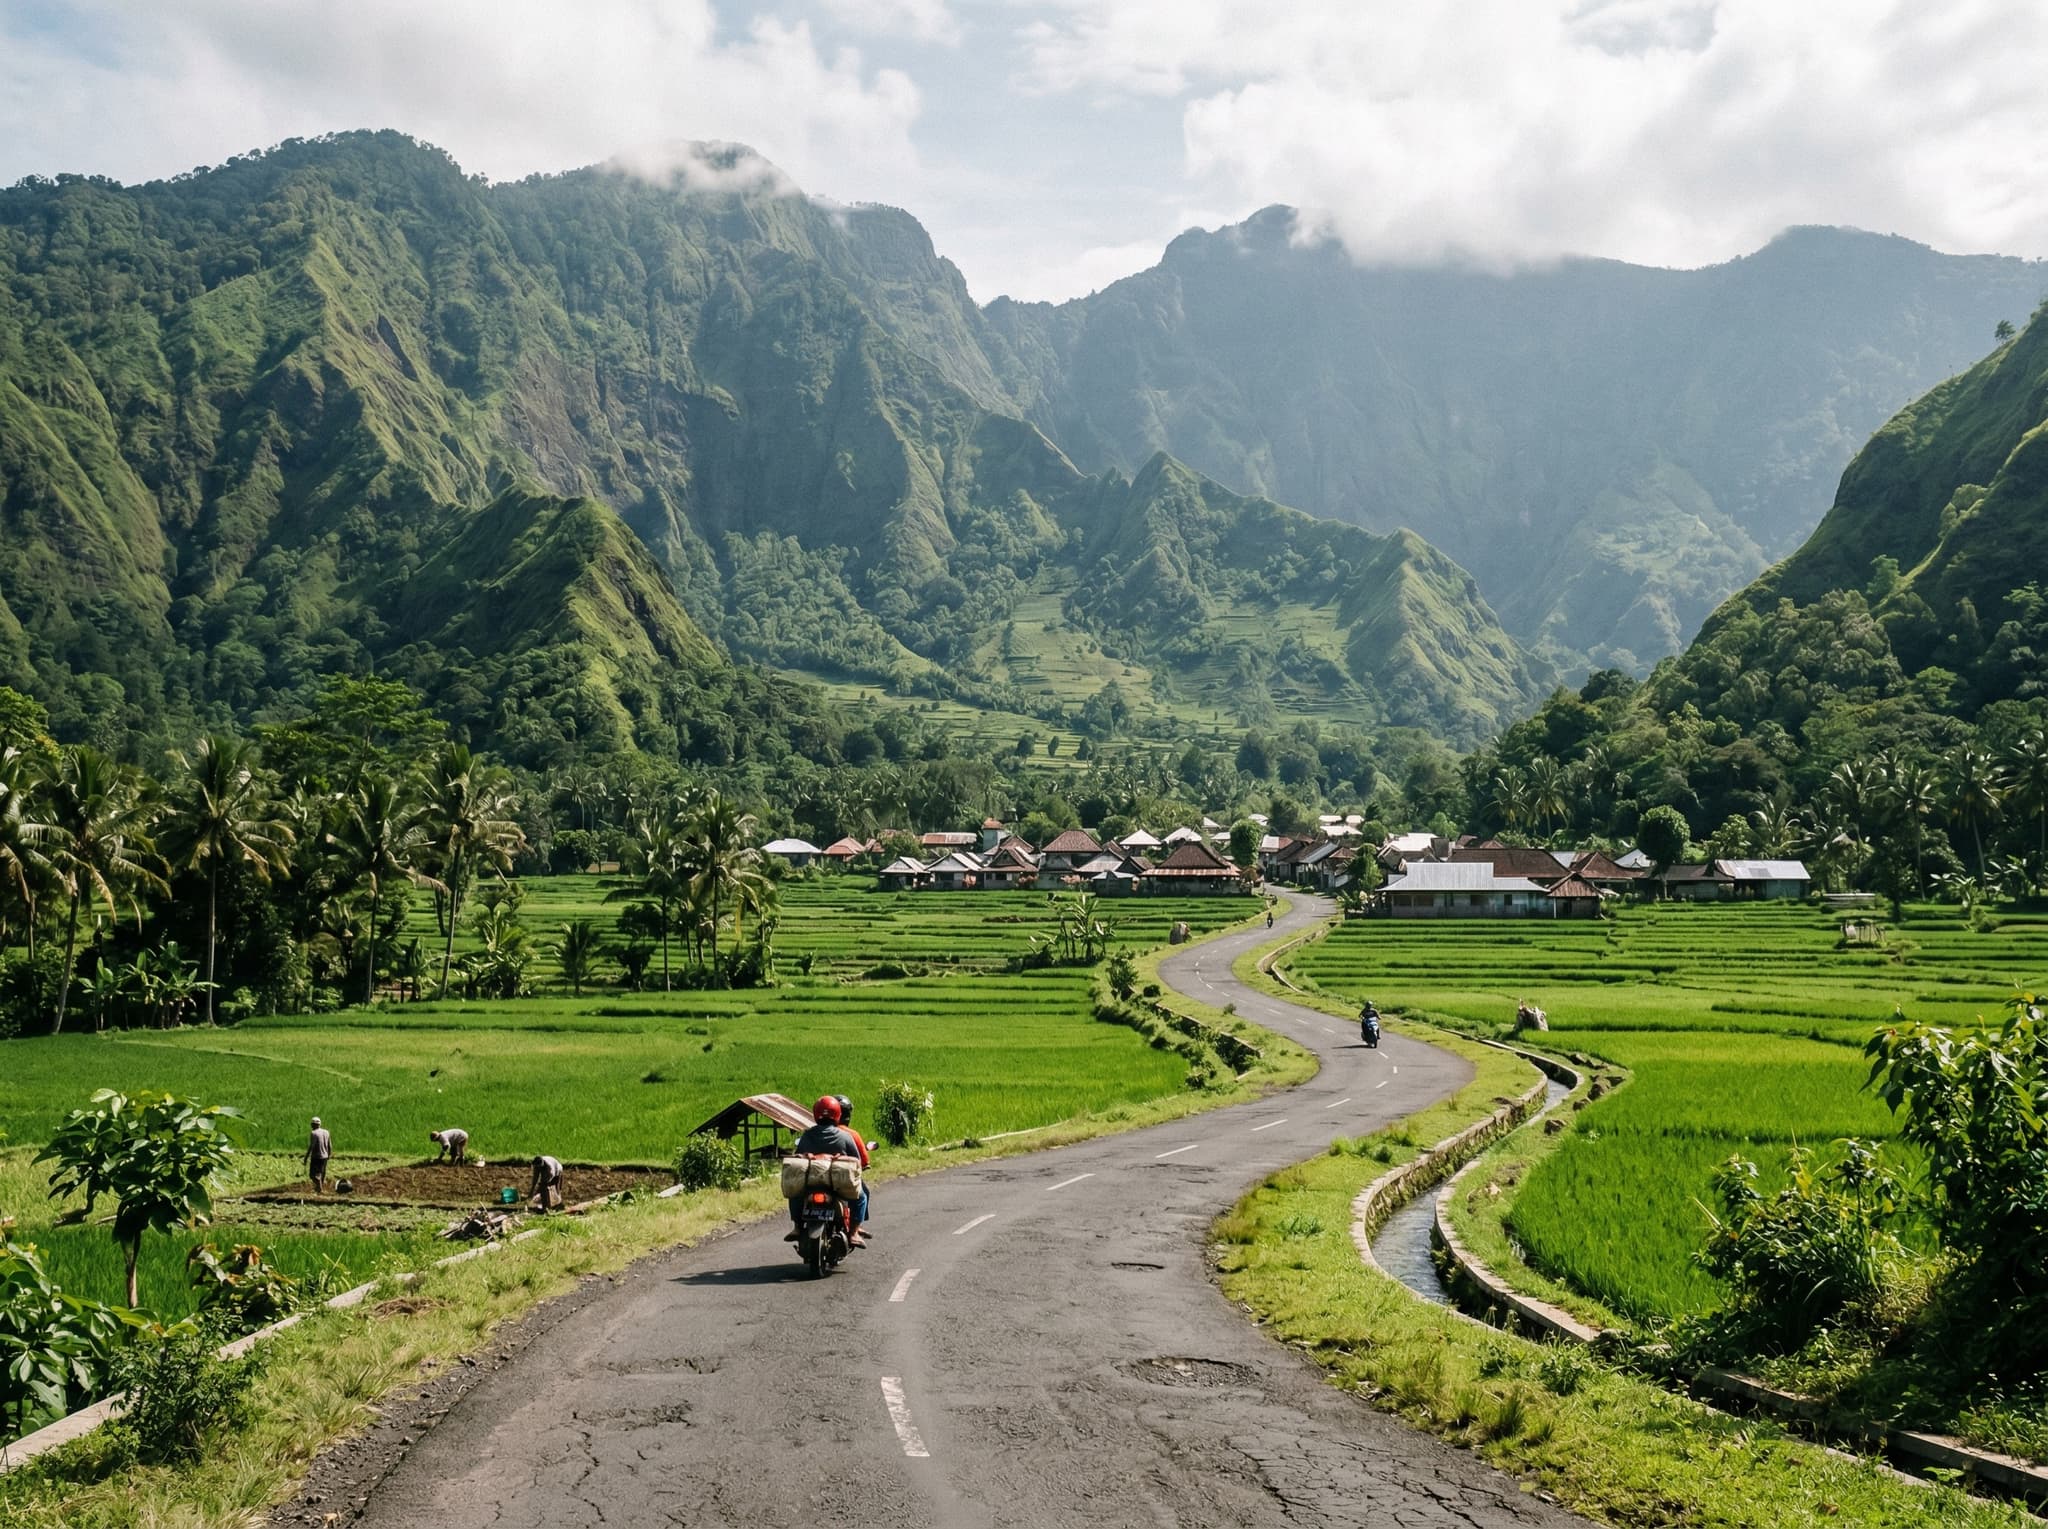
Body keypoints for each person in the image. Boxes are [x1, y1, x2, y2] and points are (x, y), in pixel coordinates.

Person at [785, 1097, 863, 1243]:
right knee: (861, 1197)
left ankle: (796, 1226)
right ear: (838, 1114)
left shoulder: (807, 1135)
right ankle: (854, 1233)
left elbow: (799, 1155)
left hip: (811, 1180)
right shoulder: (845, 1136)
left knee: (795, 1193)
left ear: (816, 1114)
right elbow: (857, 1160)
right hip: (836, 1183)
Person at [832, 1094, 872, 1246]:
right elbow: (863, 1160)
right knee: (863, 1195)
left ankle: (798, 1226)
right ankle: (855, 1230)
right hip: (844, 1179)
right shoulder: (851, 1134)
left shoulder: (814, 1132)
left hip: (819, 1176)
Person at [307, 1117, 333, 1194]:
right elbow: (330, 1145)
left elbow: (311, 1146)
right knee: (321, 1173)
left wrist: (306, 1157)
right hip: (325, 1156)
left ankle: (319, 1188)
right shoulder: (326, 1132)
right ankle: (318, 1189)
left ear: (313, 1125)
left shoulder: (313, 1133)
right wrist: (329, 1154)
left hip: (316, 1156)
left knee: (312, 1175)